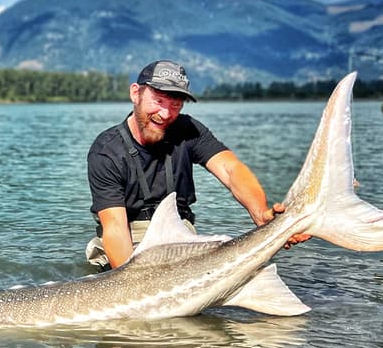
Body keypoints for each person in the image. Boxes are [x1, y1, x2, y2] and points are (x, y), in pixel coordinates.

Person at [85, 60, 307, 270]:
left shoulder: (189, 130)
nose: (165, 114)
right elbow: (114, 227)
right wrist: (131, 287)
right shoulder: (106, 151)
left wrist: (260, 214)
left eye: (175, 105)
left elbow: (231, 170)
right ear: (136, 93)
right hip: (127, 237)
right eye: (159, 101)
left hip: (178, 236)